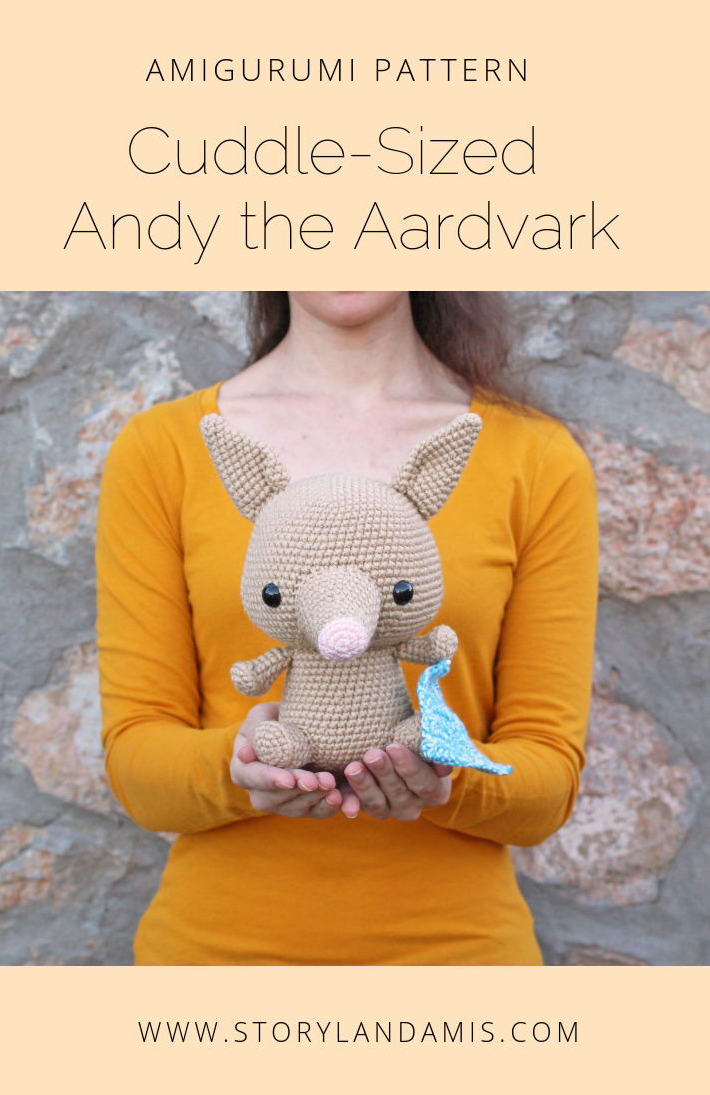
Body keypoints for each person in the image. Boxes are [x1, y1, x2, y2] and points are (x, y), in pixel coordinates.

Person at [96, 291, 599, 965]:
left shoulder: (535, 458)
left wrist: (445, 777)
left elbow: (547, 781)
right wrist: (244, 764)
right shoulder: (162, 451)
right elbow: (136, 761)